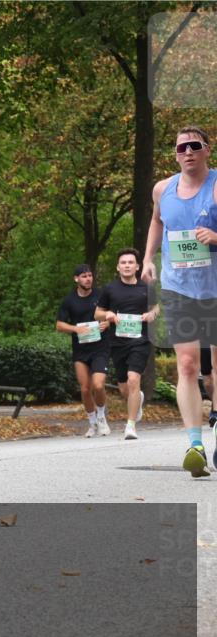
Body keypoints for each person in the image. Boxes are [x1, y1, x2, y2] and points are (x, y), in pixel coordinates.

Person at [142, 125, 217, 478]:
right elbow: (157, 222)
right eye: (180, 147)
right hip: (178, 287)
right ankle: (194, 444)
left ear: (206, 150)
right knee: (187, 365)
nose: (187, 152)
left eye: (194, 146)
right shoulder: (162, 189)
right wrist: (147, 259)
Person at [95, 248, 158, 441]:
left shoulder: (145, 288)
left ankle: (130, 426)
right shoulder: (110, 289)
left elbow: (157, 307)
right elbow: (97, 313)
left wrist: (152, 314)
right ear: (118, 267)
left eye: (131, 262)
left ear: (138, 266)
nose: (127, 266)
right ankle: (136, 399)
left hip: (140, 340)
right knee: (124, 388)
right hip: (118, 342)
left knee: (133, 379)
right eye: (123, 263)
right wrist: (108, 314)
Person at [56, 264, 111, 437]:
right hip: (80, 350)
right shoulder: (69, 300)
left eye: (90, 276)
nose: (88, 279)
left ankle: (102, 418)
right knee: (86, 388)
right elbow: (59, 325)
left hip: (100, 347)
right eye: (84, 276)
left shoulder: (101, 295)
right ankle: (92, 423)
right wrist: (76, 329)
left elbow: (112, 314)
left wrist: (107, 322)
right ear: (76, 279)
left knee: (98, 384)